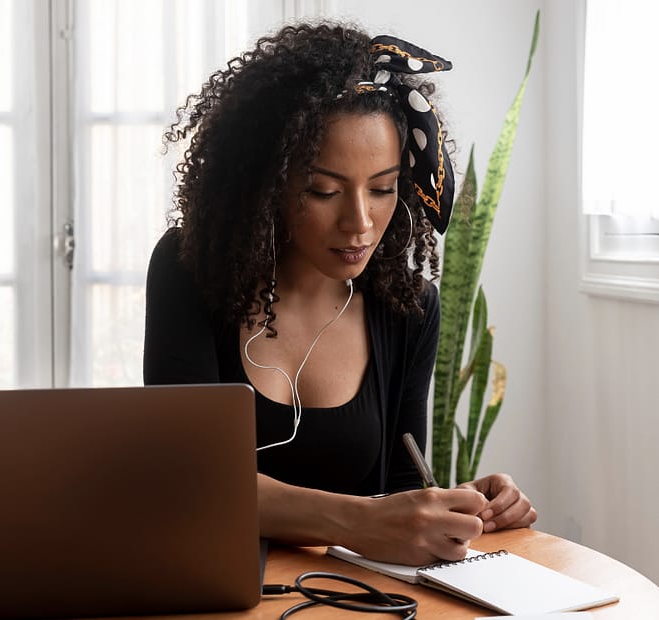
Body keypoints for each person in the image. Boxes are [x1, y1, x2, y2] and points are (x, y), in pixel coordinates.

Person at [143, 21, 536, 566]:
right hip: (214, 585)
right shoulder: (190, 271)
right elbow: (188, 478)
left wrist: (456, 506)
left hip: (341, 595)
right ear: (267, 183)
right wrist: (361, 519)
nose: (359, 222)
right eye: (322, 190)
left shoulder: (408, 307)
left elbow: (398, 483)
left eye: (382, 188)